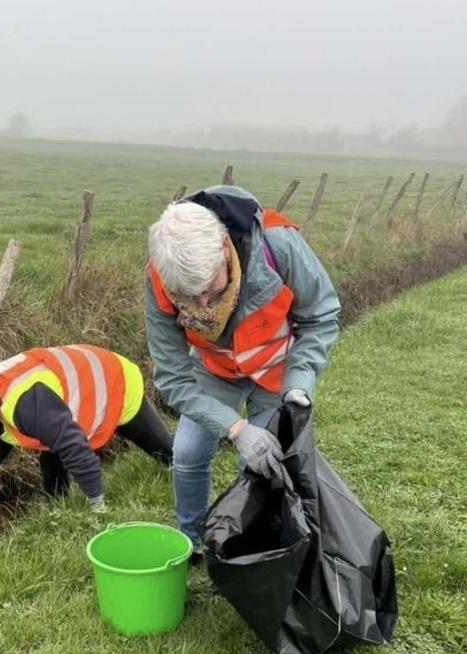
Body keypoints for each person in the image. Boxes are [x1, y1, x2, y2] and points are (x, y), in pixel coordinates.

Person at [145, 185, 340, 559]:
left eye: (209, 289)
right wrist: (234, 428)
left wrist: (299, 385)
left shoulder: (278, 246)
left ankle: (244, 547)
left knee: (257, 463)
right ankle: (193, 541)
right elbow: (171, 375)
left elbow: (321, 316)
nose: (202, 304)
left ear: (224, 248)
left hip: (277, 372)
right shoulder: (161, 277)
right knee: (186, 451)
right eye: (187, 296)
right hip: (214, 372)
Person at [0, 344, 173, 511]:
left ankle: (193, 468)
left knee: (167, 453)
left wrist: (97, 505)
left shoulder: (24, 405)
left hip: (114, 382)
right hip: (66, 400)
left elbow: (75, 446)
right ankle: (59, 511)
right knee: (51, 457)